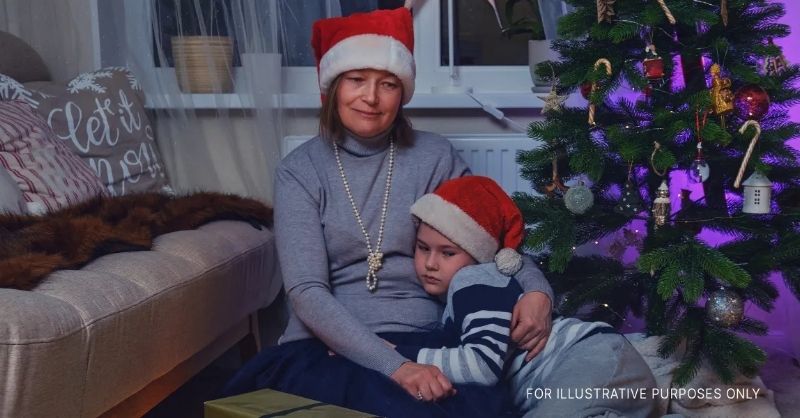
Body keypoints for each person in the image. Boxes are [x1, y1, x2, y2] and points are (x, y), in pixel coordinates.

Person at [222, 7, 554, 417]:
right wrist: (395, 366)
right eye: (356, 80)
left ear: (403, 93)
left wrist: (537, 290)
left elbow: (495, 243)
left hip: (429, 340)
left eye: (388, 84)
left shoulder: (435, 157)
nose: (371, 97)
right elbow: (307, 292)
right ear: (333, 87)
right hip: (328, 348)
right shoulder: (299, 171)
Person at [398, 176, 658, 417]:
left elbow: (482, 366)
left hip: (591, 360)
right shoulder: (466, 290)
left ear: (477, 254)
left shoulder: (473, 279)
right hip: (602, 376)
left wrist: (399, 357)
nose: (430, 263)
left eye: (447, 253)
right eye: (423, 248)